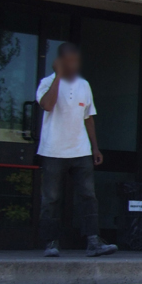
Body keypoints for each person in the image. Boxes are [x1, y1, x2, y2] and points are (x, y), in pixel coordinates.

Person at [35, 43, 118, 258]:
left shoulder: (84, 85)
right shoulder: (46, 83)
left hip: (81, 151)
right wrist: (58, 77)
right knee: (51, 198)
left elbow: (88, 117)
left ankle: (93, 241)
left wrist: (95, 147)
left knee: (88, 196)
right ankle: (51, 243)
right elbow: (47, 105)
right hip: (53, 151)